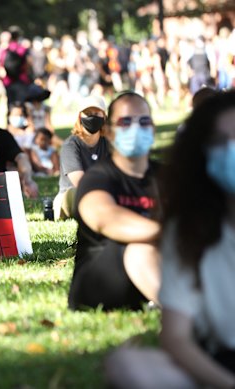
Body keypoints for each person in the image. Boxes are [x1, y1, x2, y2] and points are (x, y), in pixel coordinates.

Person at [105, 90, 235, 389]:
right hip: (221, 364)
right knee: (127, 364)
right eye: (219, 141)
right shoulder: (188, 230)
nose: (231, 149)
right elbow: (176, 337)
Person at [68, 92, 161, 311]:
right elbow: (106, 219)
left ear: (153, 129)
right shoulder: (96, 178)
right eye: (125, 122)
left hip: (157, 268)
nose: (136, 128)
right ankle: (189, 312)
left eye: (144, 121)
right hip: (101, 284)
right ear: (108, 132)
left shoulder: (169, 177)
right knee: (141, 247)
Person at [53, 95, 110, 220]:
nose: (92, 116)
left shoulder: (109, 144)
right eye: (88, 113)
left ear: (104, 117)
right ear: (80, 117)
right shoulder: (70, 145)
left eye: (96, 113)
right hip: (73, 195)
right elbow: (80, 181)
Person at [0, 26, 31, 105]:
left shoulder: (4, 50)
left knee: (10, 103)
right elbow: (28, 63)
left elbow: (0, 65)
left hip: (8, 81)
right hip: (21, 79)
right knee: (21, 103)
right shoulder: (22, 49)